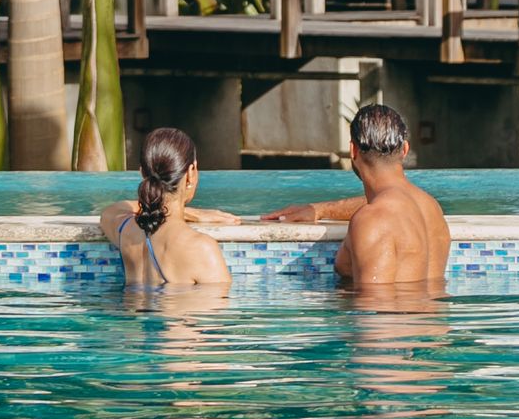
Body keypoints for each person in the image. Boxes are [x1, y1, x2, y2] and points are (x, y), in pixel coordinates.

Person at [264, 100, 451, 292]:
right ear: (404, 149)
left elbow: (375, 308)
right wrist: (319, 210)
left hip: (395, 321)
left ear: (353, 150)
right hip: (434, 320)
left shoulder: (372, 219)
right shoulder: (430, 207)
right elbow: (389, 205)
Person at [99, 125, 234, 289]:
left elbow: (112, 210)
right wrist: (191, 213)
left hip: (133, 312)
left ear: (142, 173)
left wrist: (188, 213)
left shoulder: (126, 231)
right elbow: (218, 310)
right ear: (191, 173)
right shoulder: (201, 248)